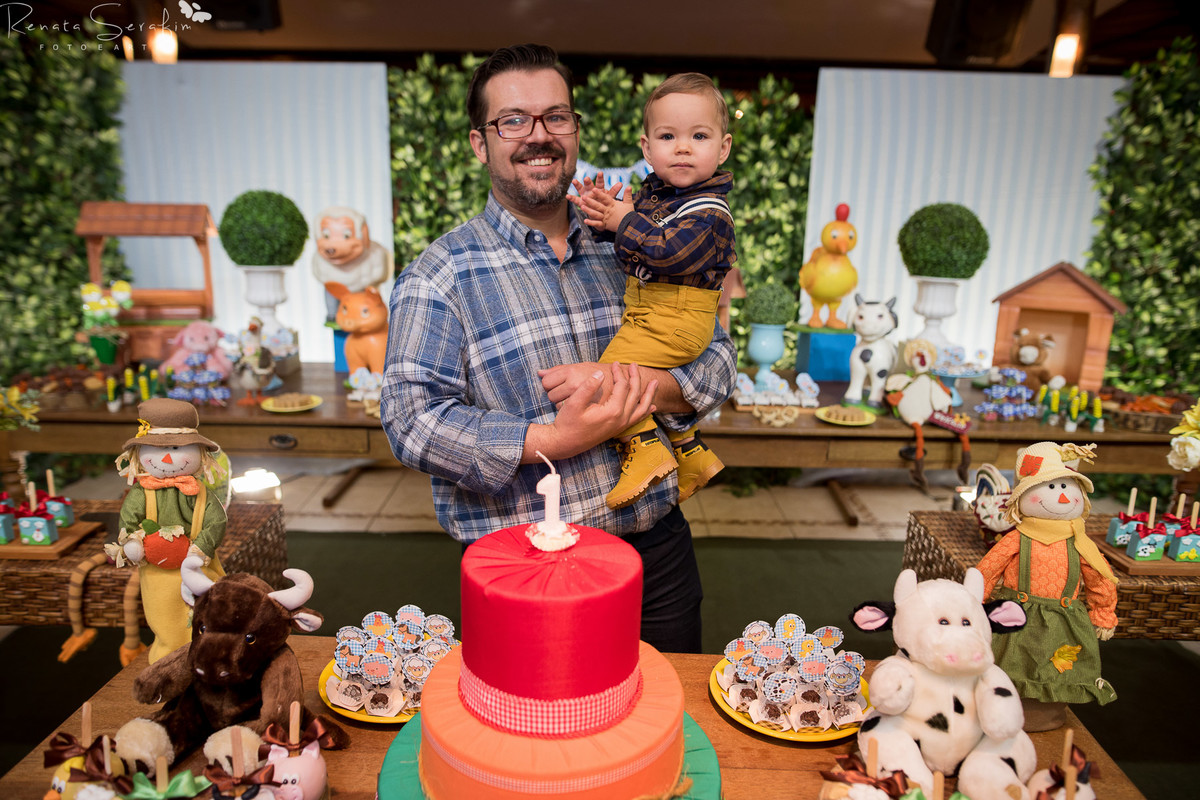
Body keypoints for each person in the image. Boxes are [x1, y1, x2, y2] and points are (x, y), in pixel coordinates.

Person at [380, 44, 736, 653]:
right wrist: (555, 440)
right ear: (479, 142)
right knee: (531, 739)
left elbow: (718, 356)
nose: (538, 136)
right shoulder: (439, 274)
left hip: (656, 553)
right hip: (523, 564)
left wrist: (633, 389)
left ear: (574, 131)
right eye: (513, 120)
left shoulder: (633, 240)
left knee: (662, 726)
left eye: (556, 117)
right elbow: (411, 422)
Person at [570, 72, 735, 510]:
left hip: (677, 318)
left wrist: (626, 221)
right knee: (633, 380)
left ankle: (645, 450)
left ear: (723, 148)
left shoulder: (710, 211)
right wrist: (604, 216)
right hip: (654, 311)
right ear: (647, 149)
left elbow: (671, 253)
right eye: (668, 136)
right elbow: (633, 248)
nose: (682, 147)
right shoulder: (659, 198)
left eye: (699, 135)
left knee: (610, 377)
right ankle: (691, 453)